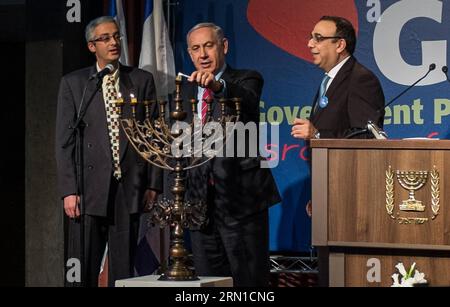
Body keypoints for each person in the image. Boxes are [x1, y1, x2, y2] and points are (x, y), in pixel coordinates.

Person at [55, 16, 162, 287]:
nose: (114, 42)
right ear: (92, 46)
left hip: (128, 187)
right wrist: (69, 190)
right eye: (105, 38)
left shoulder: (140, 80)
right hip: (88, 189)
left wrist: (153, 183)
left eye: (116, 36)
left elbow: (154, 135)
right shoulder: (75, 84)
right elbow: (64, 141)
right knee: (84, 266)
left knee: (124, 268)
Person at [180, 22, 281, 287]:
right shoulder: (183, 92)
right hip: (200, 205)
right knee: (210, 283)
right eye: (196, 48)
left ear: (223, 46)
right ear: (190, 54)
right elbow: (177, 148)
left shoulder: (247, 79)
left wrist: (217, 86)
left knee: (248, 282)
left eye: (209, 46)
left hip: (241, 204)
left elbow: (246, 101)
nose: (202, 54)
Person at [291, 16, 385, 140]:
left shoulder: (361, 79)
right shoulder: (330, 79)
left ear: (340, 45)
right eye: (311, 37)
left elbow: (366, 135)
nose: (309, 44)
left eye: (318, 38)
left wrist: (317, 135)